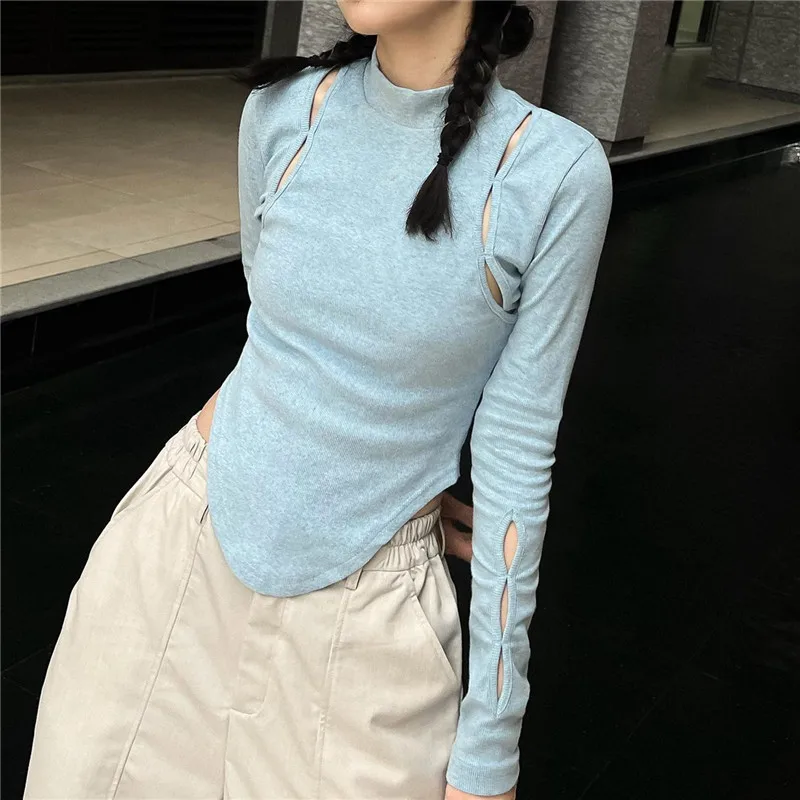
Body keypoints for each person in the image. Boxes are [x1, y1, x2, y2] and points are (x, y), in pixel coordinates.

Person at [23, 1, 613, 798]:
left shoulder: (554, 172)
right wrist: (333, 462)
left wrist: (489, 748)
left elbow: (518, 447)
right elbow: (276, 340)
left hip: (369, 616)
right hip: (174, 556)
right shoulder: (280, 113)